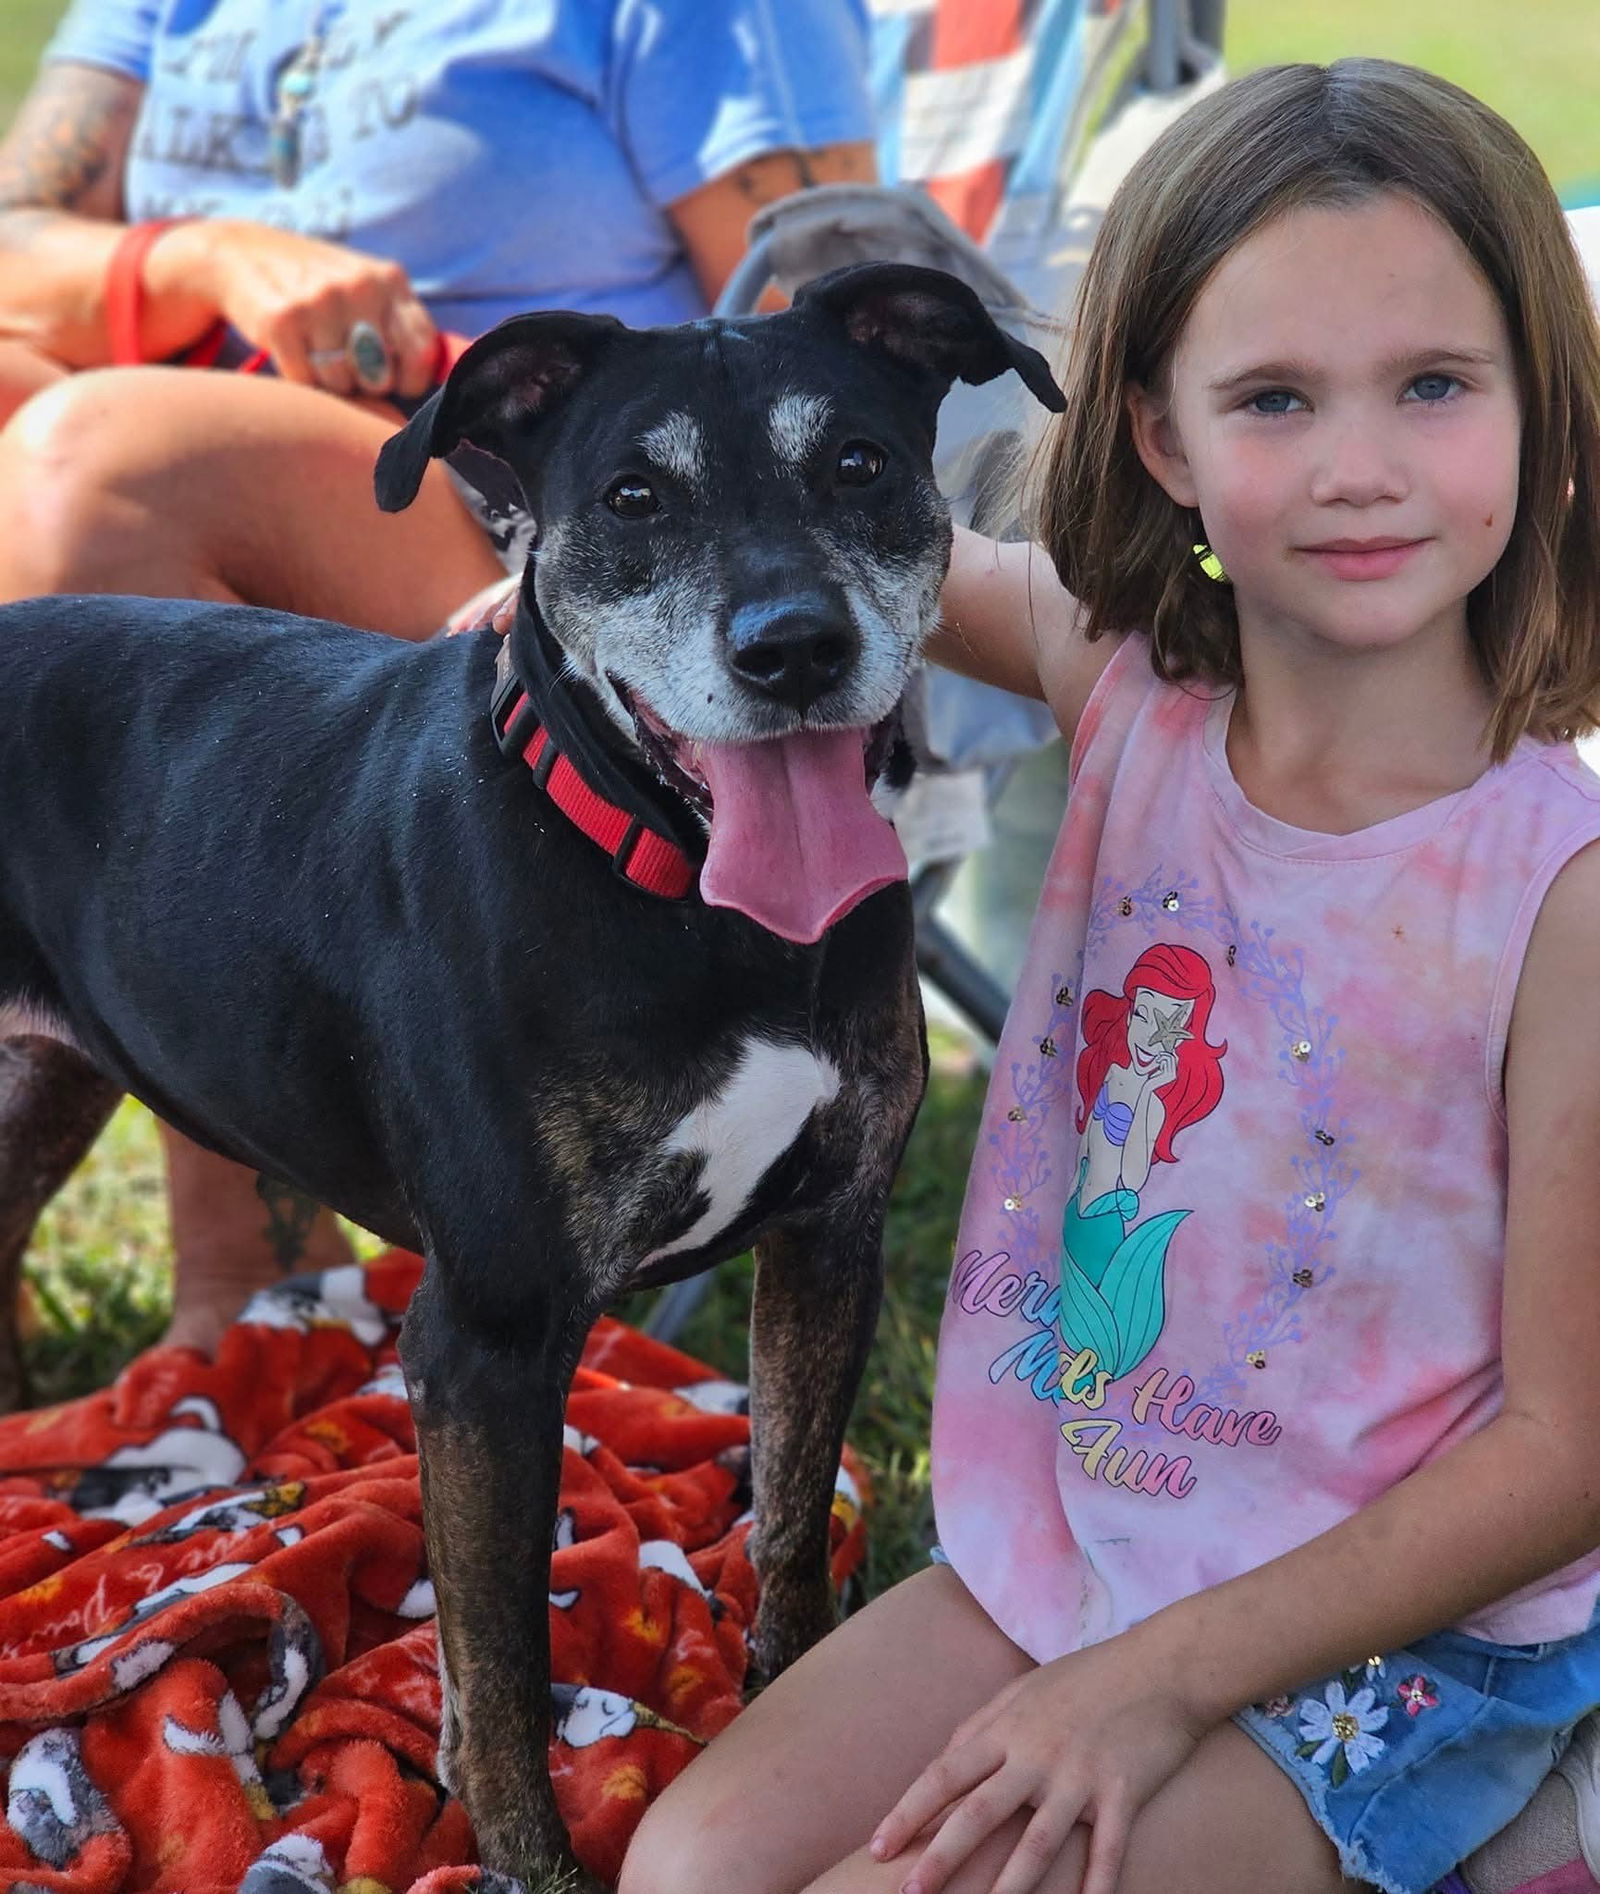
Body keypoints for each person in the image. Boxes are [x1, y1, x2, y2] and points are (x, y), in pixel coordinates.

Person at [619, 57, 1600, 1894]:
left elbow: (1569, 1451)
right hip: (1081, 1532)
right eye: (1275, 398)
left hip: (1403, 1639)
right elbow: (917, 571)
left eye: (1437, 386)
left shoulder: (1564, 896)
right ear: (1161, 435)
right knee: (692, 1871)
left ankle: (1519, 1830)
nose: (1360, 463)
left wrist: (1152, 1690)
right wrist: (547, 603)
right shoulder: (1133, 698)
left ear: (1548, 415)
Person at [0, 0, 876, 1354]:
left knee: (90, 461)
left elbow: (811, 317)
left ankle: (247, 1285)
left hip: (526, 517)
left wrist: (614, 545)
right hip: (146, 578)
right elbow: (14, 242)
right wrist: (212, 258)